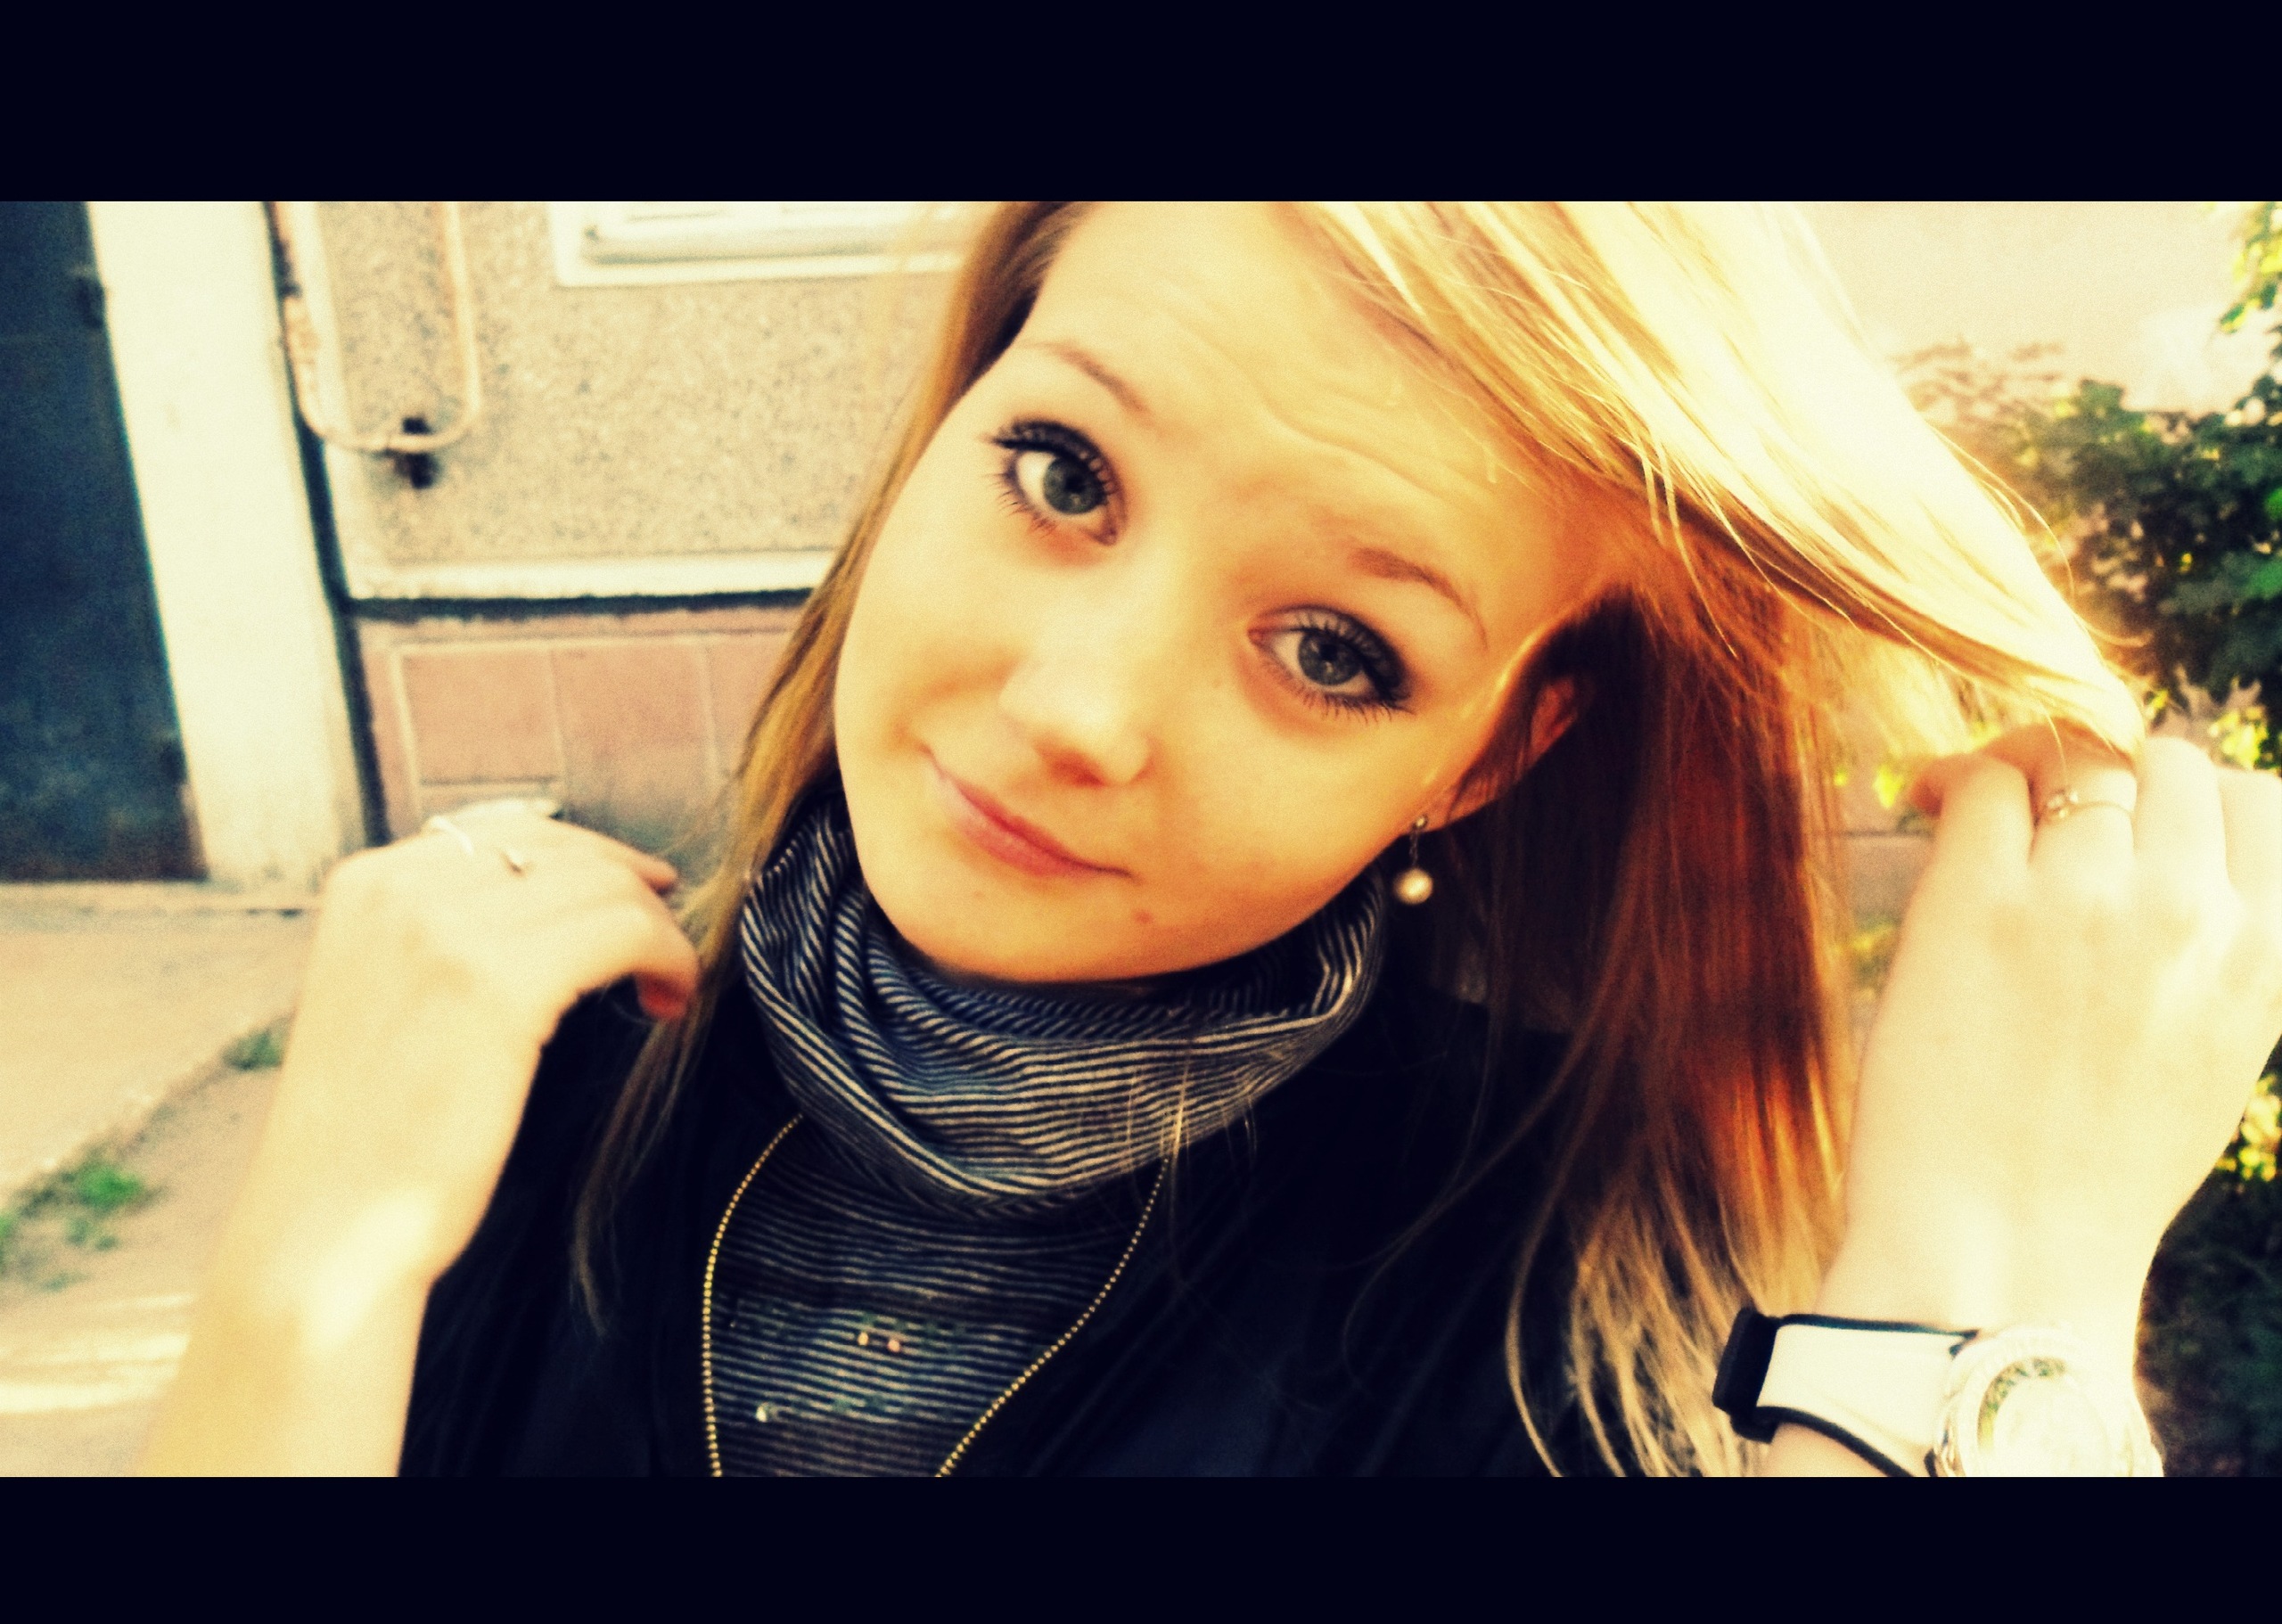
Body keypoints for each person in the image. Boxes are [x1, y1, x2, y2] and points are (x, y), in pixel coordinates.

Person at [143, 202, 2282, 1476]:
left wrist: (1984, 1308)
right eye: (1062, 473)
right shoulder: (502, 1085)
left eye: (1333, 650)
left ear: (1485, 757)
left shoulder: (1566, 1294)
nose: (1075, 710)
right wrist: (315, 1266)